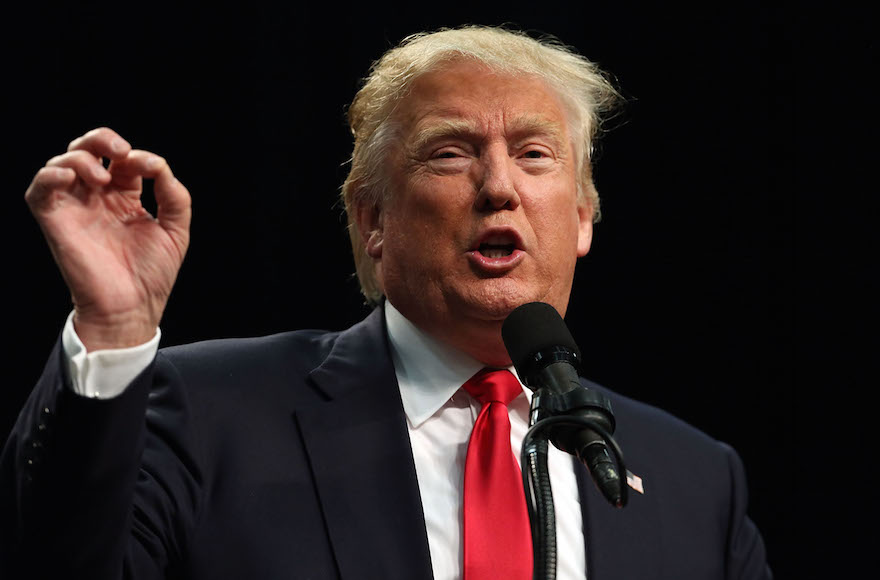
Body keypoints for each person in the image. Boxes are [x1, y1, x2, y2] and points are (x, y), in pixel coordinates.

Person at [1, 26, 771, 579]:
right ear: (372, 220)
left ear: (580, 220)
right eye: (450, 153)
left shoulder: (693, 480)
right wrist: (112, 329)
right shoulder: (208, 414)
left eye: (535, 154)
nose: (499, 186)